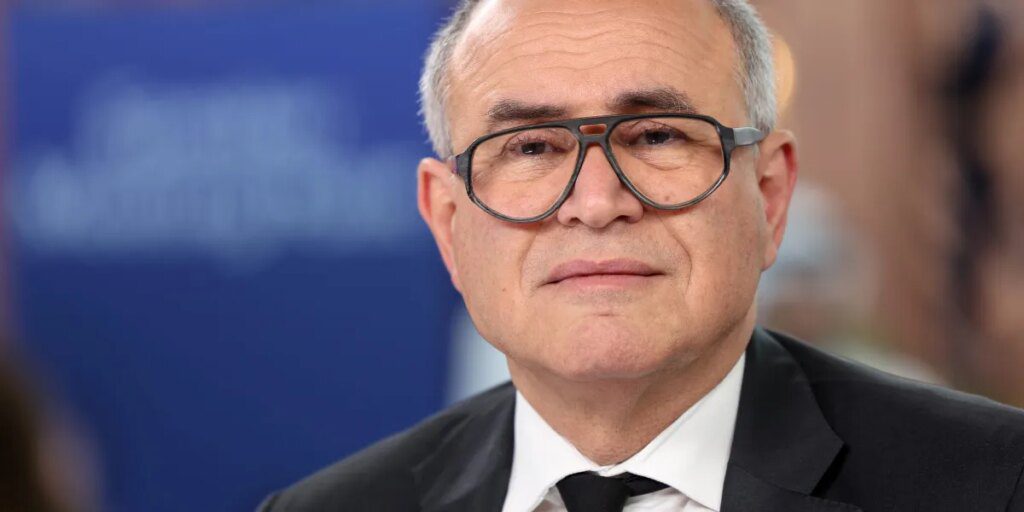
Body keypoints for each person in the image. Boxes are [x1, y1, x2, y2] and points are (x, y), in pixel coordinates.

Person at [259, 1, 1024, 510]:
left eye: (658, 136)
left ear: (769, 196)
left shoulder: (994, 484)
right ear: (448, 222)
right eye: (530, 146)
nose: (596, 203)